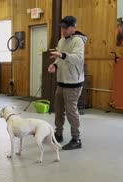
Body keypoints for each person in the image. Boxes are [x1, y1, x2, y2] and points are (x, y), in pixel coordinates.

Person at [48, 16, 87, 150]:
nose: (63, 30)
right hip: (62, 81)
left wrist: (62, 55)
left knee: (71, 111)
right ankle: (58, 134)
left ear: (73, 28)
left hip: (73, 83)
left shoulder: (78, 41)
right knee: (58, 110)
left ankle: (76, 139)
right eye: (62, 27)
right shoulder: (61, 41)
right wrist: (55, 65)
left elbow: (77, 59)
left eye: (66, 28)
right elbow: (59, 59)